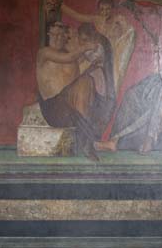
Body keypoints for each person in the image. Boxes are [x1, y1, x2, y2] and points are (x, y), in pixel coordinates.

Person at [36, 22, 115, 160]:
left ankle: (89, 141)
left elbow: (76, 73)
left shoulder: (72, 56)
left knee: (88, 81)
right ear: (48, 35)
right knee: (85, 82)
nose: (58, 38)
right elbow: (69, 58)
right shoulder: (44, 53)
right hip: (54, 108)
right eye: (55, 35)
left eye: (61, 35)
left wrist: (94, 61)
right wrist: (88, 46)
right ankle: (91, 142)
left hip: (70, 106)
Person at [62, 0, 134, 92]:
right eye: (102, 9)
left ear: (112, 9)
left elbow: (129, 34)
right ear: (98, 10)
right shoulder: (97, 19)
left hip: (114, 54)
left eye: (108, 9)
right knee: (79, 68)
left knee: (111, 81)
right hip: (99, 51)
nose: (104, 12)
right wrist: (61, 6)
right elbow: (77, 16)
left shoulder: (119, 19)